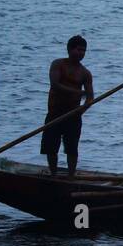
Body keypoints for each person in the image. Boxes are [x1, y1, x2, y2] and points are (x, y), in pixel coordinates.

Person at [42, 35, 94, 176]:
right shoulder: (58, 64)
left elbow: (90, 98)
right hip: (55, 112)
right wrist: (78, 92)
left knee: (72, 148)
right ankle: (53, 175)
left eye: (84, 51)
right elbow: (55, 85)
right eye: (79, 50)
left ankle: (71, 176)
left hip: (73, 115)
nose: (81, 53)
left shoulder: (85, 73)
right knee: (51, 147)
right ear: (70, 50)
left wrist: (81, 110)